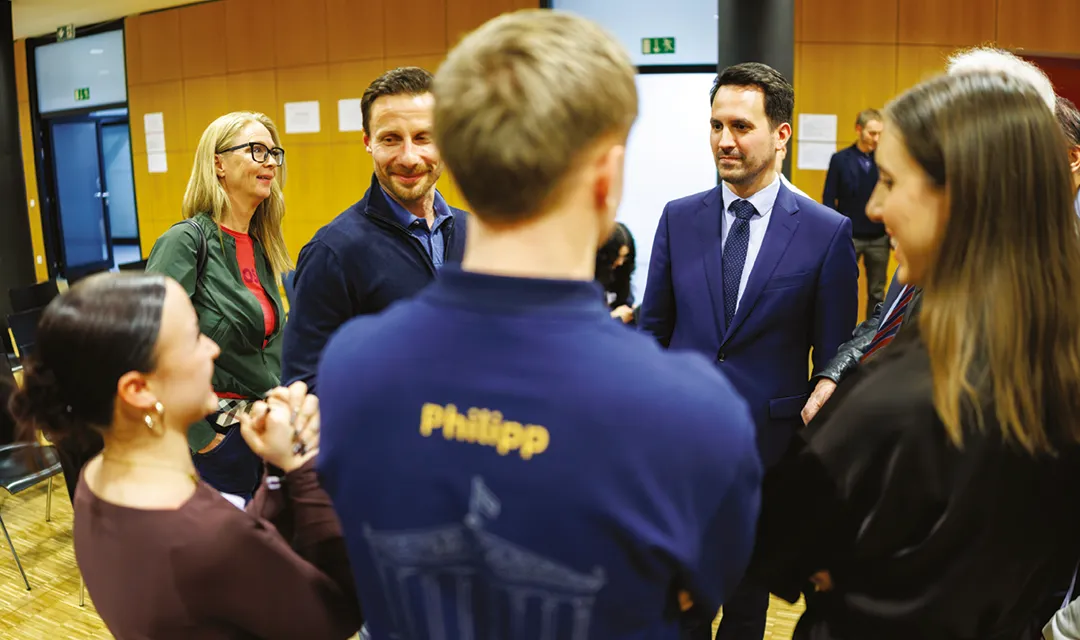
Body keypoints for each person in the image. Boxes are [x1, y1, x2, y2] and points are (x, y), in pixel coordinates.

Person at [317, 9, 762, 639]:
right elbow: (698, 595)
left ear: (458, 162)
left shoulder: (350, 368)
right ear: (607, 178)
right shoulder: (697, 416)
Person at [748, 70, 1080, 640]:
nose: (875, 207)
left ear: (959, 197)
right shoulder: (1054, 363)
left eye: (891, 181)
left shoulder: (902, 397)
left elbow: (783, 545)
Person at [8, 273, 360, 639]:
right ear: (138, 389)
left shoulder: (96, 479)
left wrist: (280, 468)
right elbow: (339, 612)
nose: (212, 349)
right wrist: (304, 462)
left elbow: (246, 558)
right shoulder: (209, 538)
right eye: (194, 338)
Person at [638, 61, 858, 640]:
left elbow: (832, 363)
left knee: (743, 614)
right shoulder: (678, 218)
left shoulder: (826, 231)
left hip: (766, 458)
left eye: (740, 126)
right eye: (716, 125)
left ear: (781, 134)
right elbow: (653, 332)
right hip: (678, 452)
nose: (724, 141)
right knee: (674, 610)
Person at [799, 47, 1061, 426]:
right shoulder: (935, 254)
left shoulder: (1022, 324)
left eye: (892, 181)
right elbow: (889, 316)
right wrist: (836, 371)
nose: (876, 207)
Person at [281, 67, 468, 392]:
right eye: (390, 139)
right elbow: (305, 381)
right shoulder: (332, 251)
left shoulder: (478, 235)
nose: (409, 157)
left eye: (423, 137)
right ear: (368, 142)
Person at [145, 111, 289, 502]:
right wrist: (203, 439)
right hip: (217, 436)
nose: (270, 162)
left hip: (261, 429)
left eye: (273, 153)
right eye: (256, 150)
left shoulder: (260, 245)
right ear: (218, 164)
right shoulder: (185, 242)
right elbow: (145, 347)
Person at [822, 109, 888, 318]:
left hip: (879, 238)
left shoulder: (886, 160)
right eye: (872, 133)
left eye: (880, 134)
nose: (876, 139)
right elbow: (829, 198)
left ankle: (873, 334)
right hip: (850, 236)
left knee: (877, 292)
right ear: (859, 129)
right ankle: (841, 330)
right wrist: (834, 233)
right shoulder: (840, 159)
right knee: (842, 287)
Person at [596, 221, 636, 323]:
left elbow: (626, 302)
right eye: (617, 256)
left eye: (625, 257)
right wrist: (615, 317)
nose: (620, 262)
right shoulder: (589, 281)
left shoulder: (620, 274)